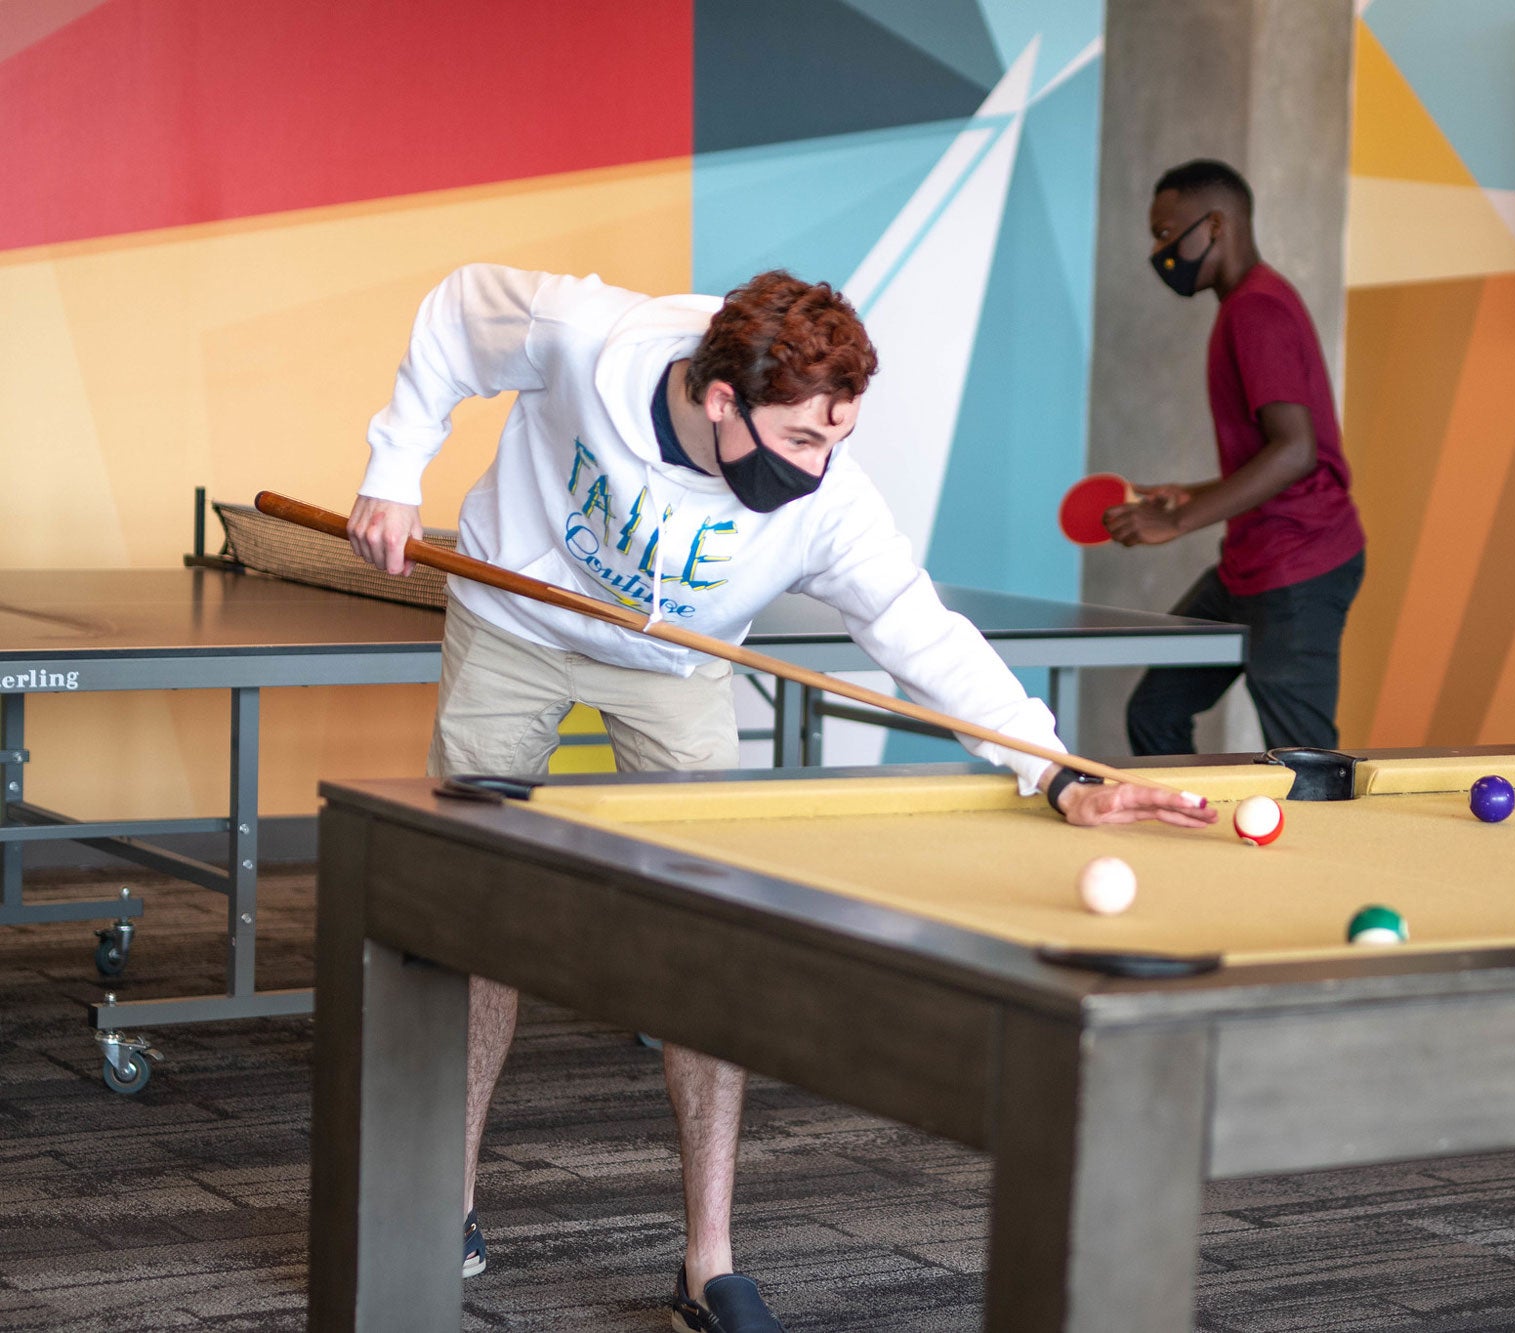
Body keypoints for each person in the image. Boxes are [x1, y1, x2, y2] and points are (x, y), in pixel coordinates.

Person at [349, 264, 1215, 1332]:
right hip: (513, 625)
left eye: (836, 439)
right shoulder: (585, 337)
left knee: (714, 938)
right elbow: (452, 314)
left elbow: (916, 630)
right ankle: (445, 1201)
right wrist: (394, 467)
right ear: (722, 401)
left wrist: (1052, 768)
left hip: (678, 665)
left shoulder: (824, 501)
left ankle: (706, 1258)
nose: (821, 466)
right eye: (803, 440)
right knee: (465, 916)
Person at [1110, 159, 1366, 756]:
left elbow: (1297, 450)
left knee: (1306, 764)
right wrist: (1191, 494)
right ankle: (1188, 829)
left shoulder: (1256, 309)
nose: (1159, 250)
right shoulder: (1247, 304)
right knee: (1155, 712)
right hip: (1250, 561)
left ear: (1217, 225)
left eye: (1167, 234)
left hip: (1299, 564)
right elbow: (1279, 452)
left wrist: (1175, 522)